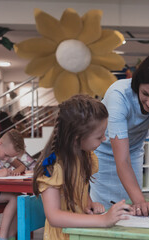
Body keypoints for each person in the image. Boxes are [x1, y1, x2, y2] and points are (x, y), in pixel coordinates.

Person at [90, 53, 149, 218]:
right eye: (145, 94)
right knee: (106, 210)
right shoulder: (118, 95)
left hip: (133, 151)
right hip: (102, 152)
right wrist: (140, 201)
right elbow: (121, 159)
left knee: (131, 208)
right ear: (137, 84)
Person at [32, 94, 133, 240]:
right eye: (99, 137)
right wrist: (103, 220)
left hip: (80, 232)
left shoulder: (84, 156)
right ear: (76, 138)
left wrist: (89, 204)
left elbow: (80, 189)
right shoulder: (52, 167)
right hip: (63, 236)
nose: (104, 139)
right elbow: (54, 216)